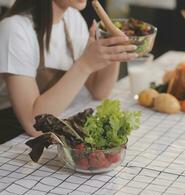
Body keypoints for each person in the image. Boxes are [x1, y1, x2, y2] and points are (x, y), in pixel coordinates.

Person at [0, 0, 138, 144]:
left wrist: (114, 51)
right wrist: (85, 65)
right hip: (12, 134)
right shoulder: (14, 29)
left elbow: (99, 91)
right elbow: (33, 124)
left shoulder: (73, 18)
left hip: (54, 124)